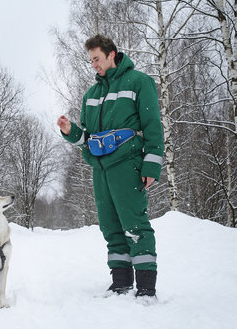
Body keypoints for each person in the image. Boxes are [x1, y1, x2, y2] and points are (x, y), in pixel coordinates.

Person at [57, 34, 164, 298]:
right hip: (101, 170)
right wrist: (71, 131)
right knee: (110, 227)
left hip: (128, 165)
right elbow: (87, 138)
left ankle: (147, 289)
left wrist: (151, 166)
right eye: (91, 60)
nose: (93, 64)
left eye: (97, 59)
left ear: (111, 54)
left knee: (135, 225)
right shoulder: (91, 95)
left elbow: (152, 126)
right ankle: (121, 283)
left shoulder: (139, 82)